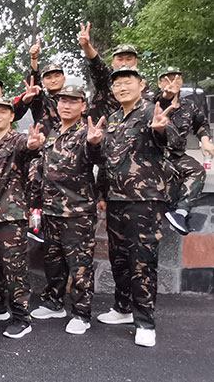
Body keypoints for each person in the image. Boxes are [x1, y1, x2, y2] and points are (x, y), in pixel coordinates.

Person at [93, 66, 179, 348]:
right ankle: (122, 308)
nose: (122, 87)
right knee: (118, 259)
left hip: (145, 200)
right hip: (116, 200)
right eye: (117, 84)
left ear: (141, 85)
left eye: (127, 82)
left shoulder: (152, 111)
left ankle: (145, 322)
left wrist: (161, 130)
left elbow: (173, 142)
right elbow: (107, 160)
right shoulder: (114, 118)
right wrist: (102, 193)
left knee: (142, 261)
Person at [28, 86, 102, 335]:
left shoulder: (86, 132)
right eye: (62, 101)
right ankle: (54, 303)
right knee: (53, 261)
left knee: (79, 265)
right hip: (51, 210)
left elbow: (97, 156)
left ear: (83, 106)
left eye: (73, 101)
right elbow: (42, 169)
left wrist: (94, 144)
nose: (66, 106)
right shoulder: (53, 131)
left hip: (76, 212)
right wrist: (36, 204)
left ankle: (81, 313)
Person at [0, 98, 45, 339]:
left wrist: (34, 145)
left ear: (12, 117)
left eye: (3, 112)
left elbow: (29, 149)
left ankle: (22, 317)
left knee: (15, 269)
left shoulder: (17, 140)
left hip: (10, 216)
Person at [155, 66, 212, 234]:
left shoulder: (189, 105)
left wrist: (205, 141)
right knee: (168, 174)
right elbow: (161, 103)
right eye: (168, 78)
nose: (173, 82)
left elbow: (201, 124)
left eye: (177, 77)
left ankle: (180, 213)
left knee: (197, 170)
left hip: (176, 154)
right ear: (159, 83)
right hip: (154, 153)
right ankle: (166, 213)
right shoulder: (151, 102)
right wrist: (167, 96)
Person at [28, 39, 66, 135]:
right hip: (44, 142)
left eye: (57, 76)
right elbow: (34, 84)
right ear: (43, 83)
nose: (53, 80)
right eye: (48, 78)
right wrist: (34, 59)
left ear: (64, 79)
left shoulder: (73, 99)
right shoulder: (41, 101)